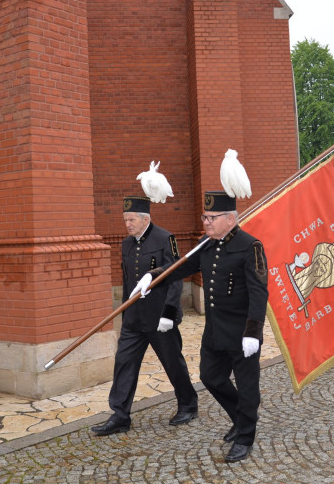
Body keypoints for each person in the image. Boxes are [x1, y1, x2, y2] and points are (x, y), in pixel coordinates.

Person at [135, 191, 268, 463]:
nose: (206, 222)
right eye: (204, 217)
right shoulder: (206, 244)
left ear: (230, 219)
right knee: (211, 377)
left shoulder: (249, 245)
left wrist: (254, 330)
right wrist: (152, 276)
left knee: (247, 385)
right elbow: (181, 268)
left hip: (242, 333)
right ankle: (241, 417)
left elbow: (259, 291)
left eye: (211, 217)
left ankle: (245, 436)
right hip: (215, 330)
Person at [91, 196, 199, 437]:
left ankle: (188, 404)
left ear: (145, 219)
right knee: (124, 363)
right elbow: (128, 281)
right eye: (125, 220)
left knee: (173, 363)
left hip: (160, 318)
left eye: (131, 219)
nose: (127, 224)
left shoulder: (165, 239)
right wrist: (125, 312)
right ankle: (120, 415)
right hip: (134, 319)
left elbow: (176, 275)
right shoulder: (126, 244)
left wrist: (169, 313)